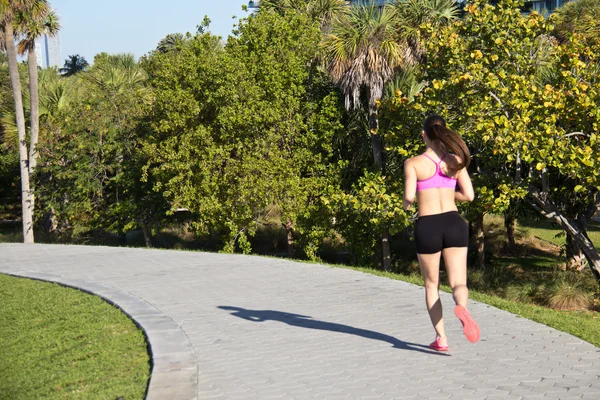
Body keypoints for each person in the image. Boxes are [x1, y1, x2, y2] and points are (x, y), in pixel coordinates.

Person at [403, 114, 480, 352]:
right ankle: (462, 308)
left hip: (429, 226)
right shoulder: (456, 161)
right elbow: (469, 196)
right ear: (444, 133)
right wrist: (448, 195)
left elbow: (408, 199)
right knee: (458, 281)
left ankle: (442, 339)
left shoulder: (413, 163)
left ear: (423, 135)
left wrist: (410, 203)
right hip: (454, 223)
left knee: (431, 285)